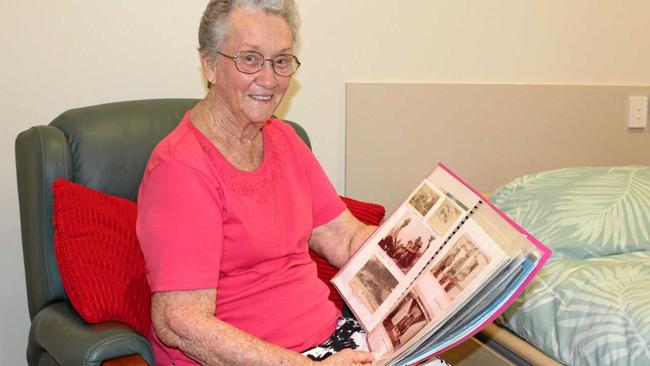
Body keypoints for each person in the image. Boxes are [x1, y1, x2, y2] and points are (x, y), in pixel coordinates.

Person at [137, 1, 451, 365]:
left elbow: (344, 236)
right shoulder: (180, 168)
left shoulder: (284, 140)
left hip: (329, 338)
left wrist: (422, 261)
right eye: (250, 59)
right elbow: (179, 322)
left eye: (281, 61)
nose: (269, 79)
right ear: (210, 64)